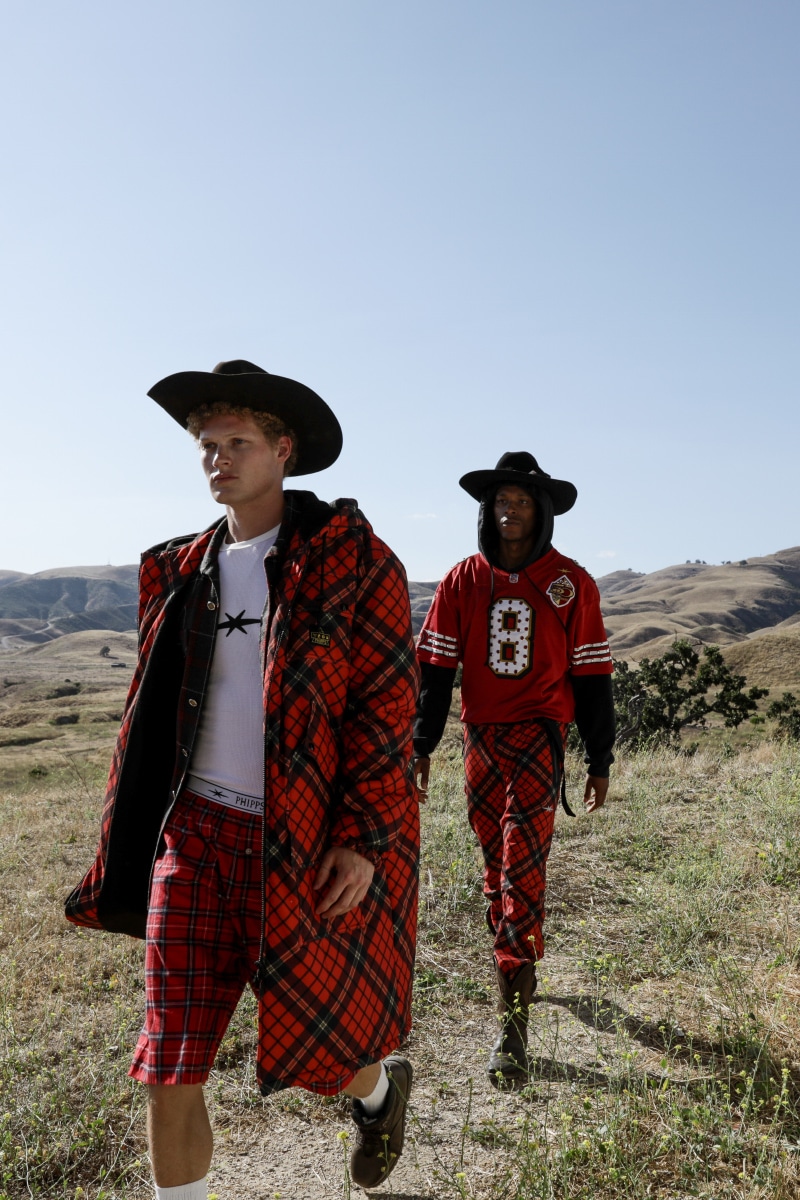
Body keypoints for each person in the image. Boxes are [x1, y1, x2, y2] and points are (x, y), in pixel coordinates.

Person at [66, 360, 420, 1197]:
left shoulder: (353, 561)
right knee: (169, 1063)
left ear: (283, 449)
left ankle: (378, 1090)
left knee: (326, 1056)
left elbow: (385, 708)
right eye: (206, 445)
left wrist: (362, 838)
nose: (217, 459)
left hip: (299, 838)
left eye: (236, 442)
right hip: (193, 836)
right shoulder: (178, 570)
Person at [413, 451, 614, 1087]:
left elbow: (592, 677)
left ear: (541, 510)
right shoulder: (462, 581)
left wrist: (600, 757)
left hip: (538, 737)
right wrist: (421, 746)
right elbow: (435, 672)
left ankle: (512, 1025)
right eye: (501, 500)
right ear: (488, 509)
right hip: (480, 739)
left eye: (522, 501)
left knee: (521, 865)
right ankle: (517, 964)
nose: (510, 511)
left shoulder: (570, 584)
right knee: (496, 867)